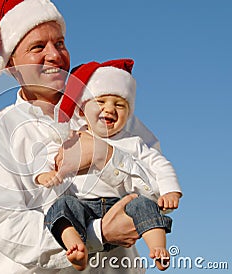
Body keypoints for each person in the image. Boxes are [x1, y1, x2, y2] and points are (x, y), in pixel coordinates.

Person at [0, 0, 151, 273]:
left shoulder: (107, 118)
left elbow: (157, 189)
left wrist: (108, 157)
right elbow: (8, 227)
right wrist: (98, 234)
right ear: (11, 65)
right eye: (38, 47)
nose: (54, 55)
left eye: (60, 43)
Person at [36, 59, 182, 270]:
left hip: (121, 206)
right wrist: (44, 174)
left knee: (144, 206)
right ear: (81, 110)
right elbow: (51, 155)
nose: (110, 109)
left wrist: (171, 191)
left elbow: (160, 164)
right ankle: (75, 246)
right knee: (62, 207)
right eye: (101, 102)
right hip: (84, 206)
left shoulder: (133, 142)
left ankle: (158, 248)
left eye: (120, 105)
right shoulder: (74, 137)